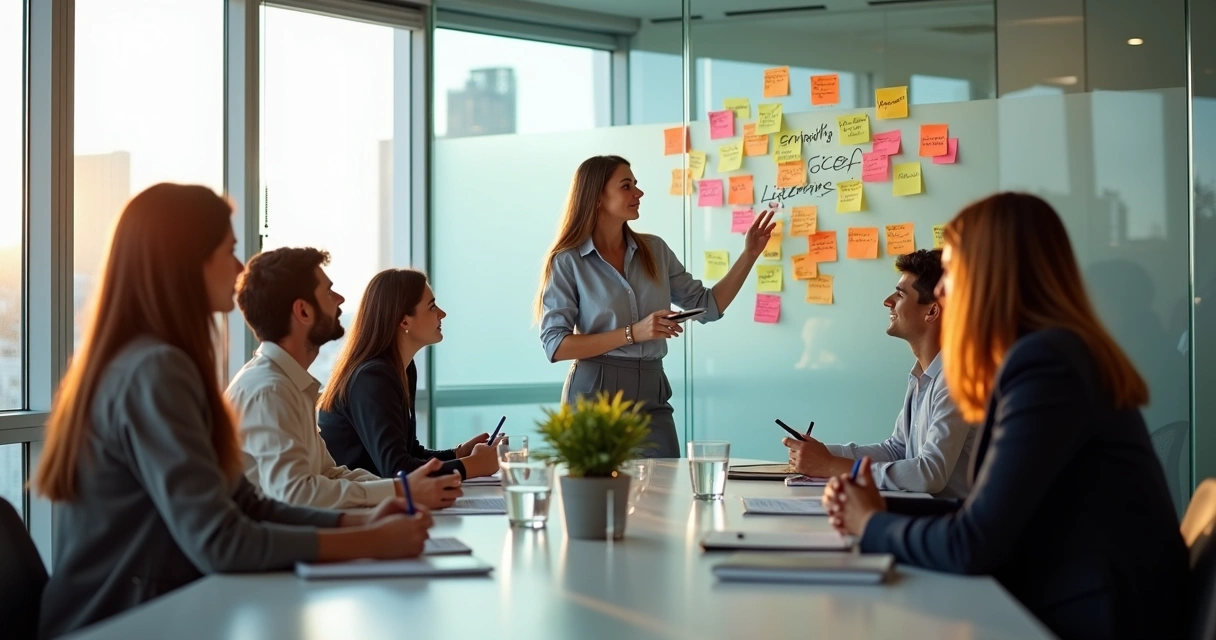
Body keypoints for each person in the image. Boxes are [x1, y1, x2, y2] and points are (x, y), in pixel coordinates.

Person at [33, 184, 431, 639]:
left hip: (157, 606)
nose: (240, 269)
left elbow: (245, 502)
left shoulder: (154, 361)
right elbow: (220, 541)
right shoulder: (155, 370)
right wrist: (368, 541)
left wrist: (358, 521)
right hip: (121, 621)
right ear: (186, 263)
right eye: (229, 251)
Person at [822, 193, 1188, 639]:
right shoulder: (1048, 355)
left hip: (1095, 617)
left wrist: (872, 523)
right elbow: (985, 517)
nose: (940, 289)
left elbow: (974, 543)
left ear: (990, 276)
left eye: (952, 271)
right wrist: (875, 508)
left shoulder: (1047, 366)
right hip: (1076, 596)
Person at [537, 155, 775, 457]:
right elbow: (555, 346)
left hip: (652, 391)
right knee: (602, 499)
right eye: (627, 186)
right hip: (595, 394)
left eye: (635, 184)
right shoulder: (568, 261)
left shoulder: (655, 250)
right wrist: (633, 333)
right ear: (597, 196)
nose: (639, 193)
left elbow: (708, 306)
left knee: (666, 495)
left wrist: (750, 254)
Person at [227, 247, 462, 509]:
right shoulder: (269, 390)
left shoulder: (289, 384)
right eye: (328, 292)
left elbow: (330, 474)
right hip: (278, 546)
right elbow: (296, 495)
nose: (340, 299)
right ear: (303, 311)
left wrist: (404, 490)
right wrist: (402, 491)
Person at [782, 249, 975, 498]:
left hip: (947, 523)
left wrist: (831, 466)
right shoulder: (922, 376)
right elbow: (897, 449)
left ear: (932, 312)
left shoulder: (956, 380)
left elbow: (930, 474)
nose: (888, 301)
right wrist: (823, 454)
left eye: (900, 294)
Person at [318, 269, 500, 479]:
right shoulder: (372, 377)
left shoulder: (402, 369)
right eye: (432, 307)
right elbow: (397, 469)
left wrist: (459, 453)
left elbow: (410, 453)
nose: (442, 313)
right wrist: (473, 465)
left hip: (379, 499)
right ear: (404, 321)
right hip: (361, 504)